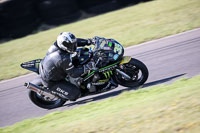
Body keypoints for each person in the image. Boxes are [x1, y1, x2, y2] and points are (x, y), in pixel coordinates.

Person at [39, 32, 95, 101]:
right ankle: (57, 94)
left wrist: (89, 41)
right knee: (76, 94)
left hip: (51, 67)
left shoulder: (58, 44)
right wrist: (87, 67)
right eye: (70, 45)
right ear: (63, 45)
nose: (73, 46)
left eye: (72, 44)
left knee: (80, 55)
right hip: (53, 81)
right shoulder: (62, 58)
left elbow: (75, 41)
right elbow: (74, 73)